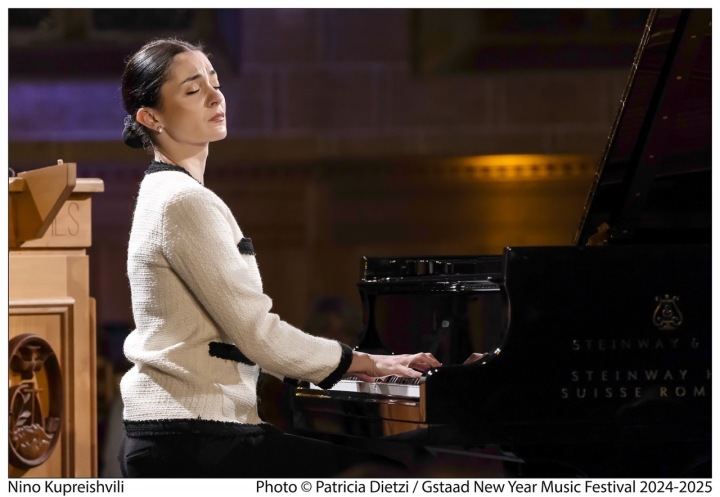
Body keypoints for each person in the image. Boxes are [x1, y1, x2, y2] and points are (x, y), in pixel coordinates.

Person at [117, 37, 441, 478]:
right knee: (377, 474)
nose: (215, 96)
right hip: (192, 438)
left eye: (215, 82)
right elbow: (259, 336)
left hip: (184, 432)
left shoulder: (169, 194)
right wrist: (367, 362)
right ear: (150, 117)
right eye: (193, 90)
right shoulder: (183, 201)